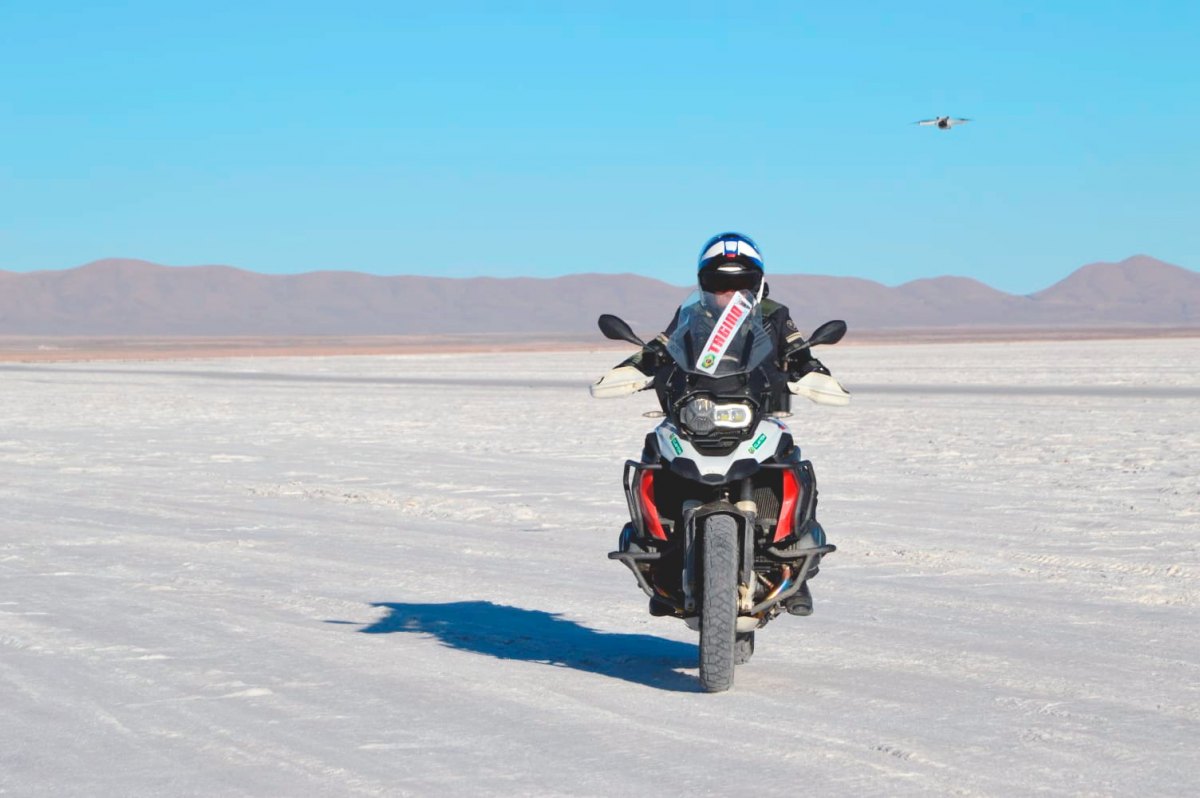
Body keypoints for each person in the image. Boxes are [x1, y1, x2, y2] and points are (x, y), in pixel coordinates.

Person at [590, 232, 848, 616]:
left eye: (740, 283)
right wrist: (632, 369)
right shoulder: (690, 318)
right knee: (653, 452)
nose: (730, 292)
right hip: (695, 412)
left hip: (754, 413)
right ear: (703, 284)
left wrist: (814, 373)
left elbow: (798, 352)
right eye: (719, 282)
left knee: (793, 463)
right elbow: (659, 348)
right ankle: (656, 553)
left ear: (757, 282)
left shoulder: (772, 313)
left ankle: (798, 573)